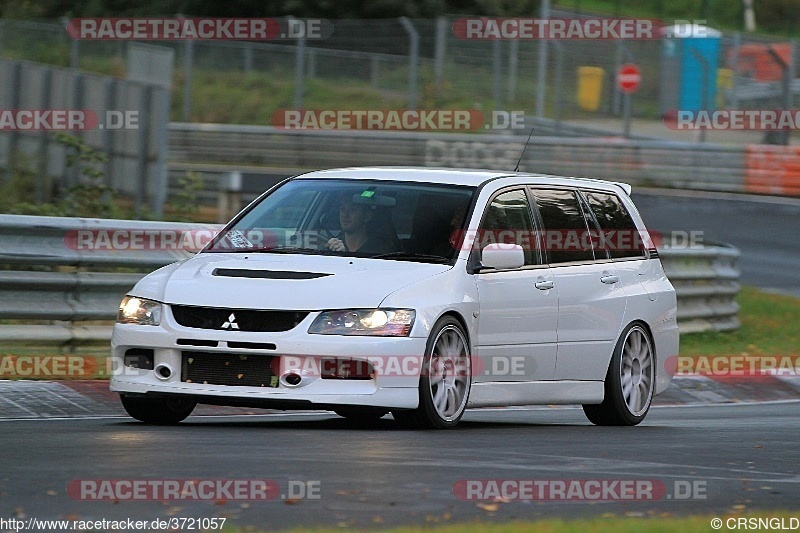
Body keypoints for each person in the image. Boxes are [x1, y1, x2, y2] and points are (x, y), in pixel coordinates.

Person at [326, 196, 398, 254]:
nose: (345, 215)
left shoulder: (381, 252)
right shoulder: (331, 247)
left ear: (367, 217)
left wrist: (344, 255)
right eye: (342, 209)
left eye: (353, 209)